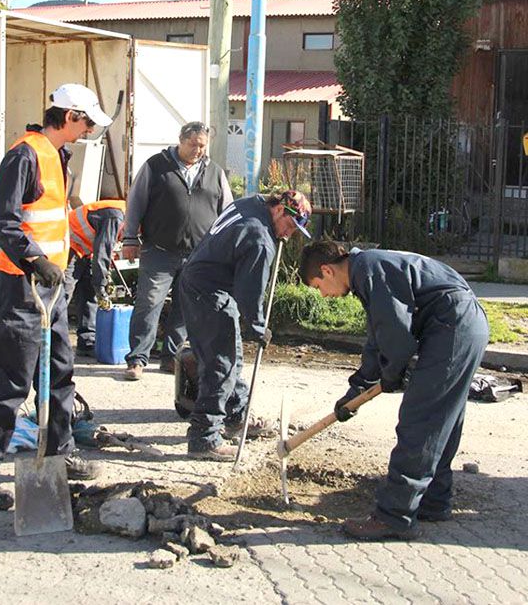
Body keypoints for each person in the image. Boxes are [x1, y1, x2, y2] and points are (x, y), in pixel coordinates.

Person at [0, 84, 112, 511]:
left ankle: (59, 456)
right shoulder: (25, 155)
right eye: (85, 123)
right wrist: (34, 260)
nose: (86, 132)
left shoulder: (57, 155)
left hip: (52, 286)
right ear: (69, 117)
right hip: (21, 288)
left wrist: (60, 262)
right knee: (9, 383)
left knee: (60, 372)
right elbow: (2, 220)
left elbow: (48, 220)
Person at [299, 240, 490, 541]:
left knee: (420, 421)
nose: (323, 295)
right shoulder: (368, 269)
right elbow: (380, 336)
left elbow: (396, 338)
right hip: (461, 326)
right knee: (442, 421)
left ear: (326, 270)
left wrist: (392, 374)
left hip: (452, 327)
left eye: (318, 286)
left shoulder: (369, 270)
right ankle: (434, 500)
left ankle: (394, 516)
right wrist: (357, 388)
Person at [178, 190, 312, 461]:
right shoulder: (260, 239)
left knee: (230, 356)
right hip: (208, 292)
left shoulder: (251, 202)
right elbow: (250, 293)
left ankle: (237, 413)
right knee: (221, 364)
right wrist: (259, 327)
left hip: (200, 281)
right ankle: (205, 437)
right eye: (290, 226)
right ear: (278, 210)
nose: (289, 235)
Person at [121, 121, 232, 381]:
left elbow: (226, 211)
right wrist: (130, 238)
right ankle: (137, 359)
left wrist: (224, 248)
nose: (198, 150)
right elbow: (135, 202)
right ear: (180, 141)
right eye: (193, 144)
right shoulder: (156, 166)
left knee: (186, 307)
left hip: (199, 254)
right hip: (159, 249)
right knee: (149, 303)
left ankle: (171, 358)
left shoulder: (215, 172)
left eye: (202, 146)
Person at [66, 199, 126, 356]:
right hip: (69, 243)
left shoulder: (122, 212)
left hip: (83, 249)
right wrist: (102, 288)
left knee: (87, 294)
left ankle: (87, 342)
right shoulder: (116, 216)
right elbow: (102, 254)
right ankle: (44, 343)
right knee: (62, 295)